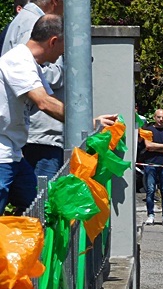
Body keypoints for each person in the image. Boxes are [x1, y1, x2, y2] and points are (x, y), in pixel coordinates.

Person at [0, 14, 115, 213]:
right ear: (53, 41)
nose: (63, 55)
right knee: (35, 207)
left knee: (39, 206)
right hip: (2, 154)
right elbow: (44, 103)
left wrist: (91, 120)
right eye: (64, 48)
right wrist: (85, 122)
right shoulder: (18, 61)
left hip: (14, 153)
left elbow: (53, 101)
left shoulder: (32, 65)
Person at [1, 0, 65, 180]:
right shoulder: (36, 24)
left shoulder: (23, 20)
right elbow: (43, 93)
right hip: (39, 136)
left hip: (22, 139)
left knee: (32, 201)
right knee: (40, 205)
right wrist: (69, 69)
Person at [141, 109, 163, 225]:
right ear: (154, 117)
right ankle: (150, 215)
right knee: (150, 190)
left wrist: (157, 146)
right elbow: (148, 146)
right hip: (150, 164)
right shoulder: (148, 130)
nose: (161, 120)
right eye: (159, 117)